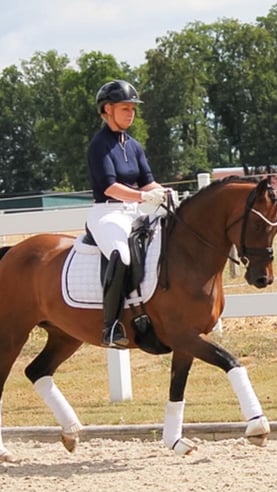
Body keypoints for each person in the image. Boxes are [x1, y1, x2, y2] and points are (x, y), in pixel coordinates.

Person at [86, 79, 170, 348]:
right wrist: (144, 196)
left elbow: (148, 180)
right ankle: (111, 326)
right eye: (125, 108)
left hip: (133, 211)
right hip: (107, 213)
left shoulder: (133, 145)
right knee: (121, 255)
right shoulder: (99, 145)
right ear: (107, 109)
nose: (131, 113)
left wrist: (166, 193)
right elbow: (110, 188)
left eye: (133, 108)